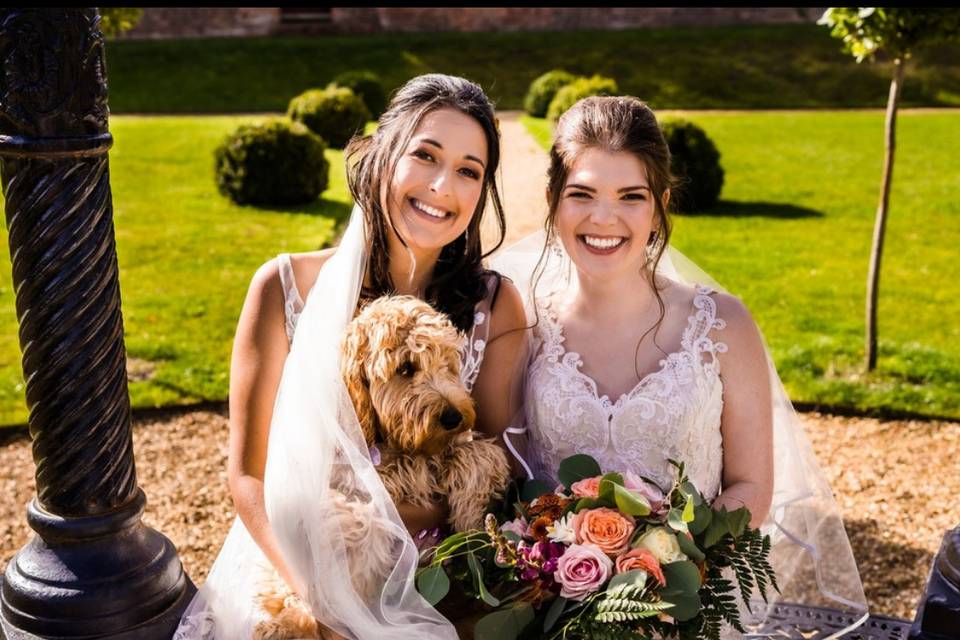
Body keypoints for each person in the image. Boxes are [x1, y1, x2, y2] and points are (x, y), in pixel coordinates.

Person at [491, 95, 869, 638]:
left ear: (661, 205)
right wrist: (563, 567)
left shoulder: (723, 325)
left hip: (691, 607)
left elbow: (750, 485)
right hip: (552, 609)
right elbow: (507, 477)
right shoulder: (522, 324)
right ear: (553, 200)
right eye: (582, 194)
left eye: (630, 196)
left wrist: (667, 568)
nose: (604, 218)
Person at [175, 74, 527, 639]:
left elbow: (491, 467)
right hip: (294, 574)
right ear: (384, 156)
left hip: (441, 577)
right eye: (425, 155)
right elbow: (247, 477)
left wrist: (392, 540)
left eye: (469, 170)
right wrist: (319, 599)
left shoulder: (496, 304)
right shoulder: (283, 286)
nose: (443, 186)